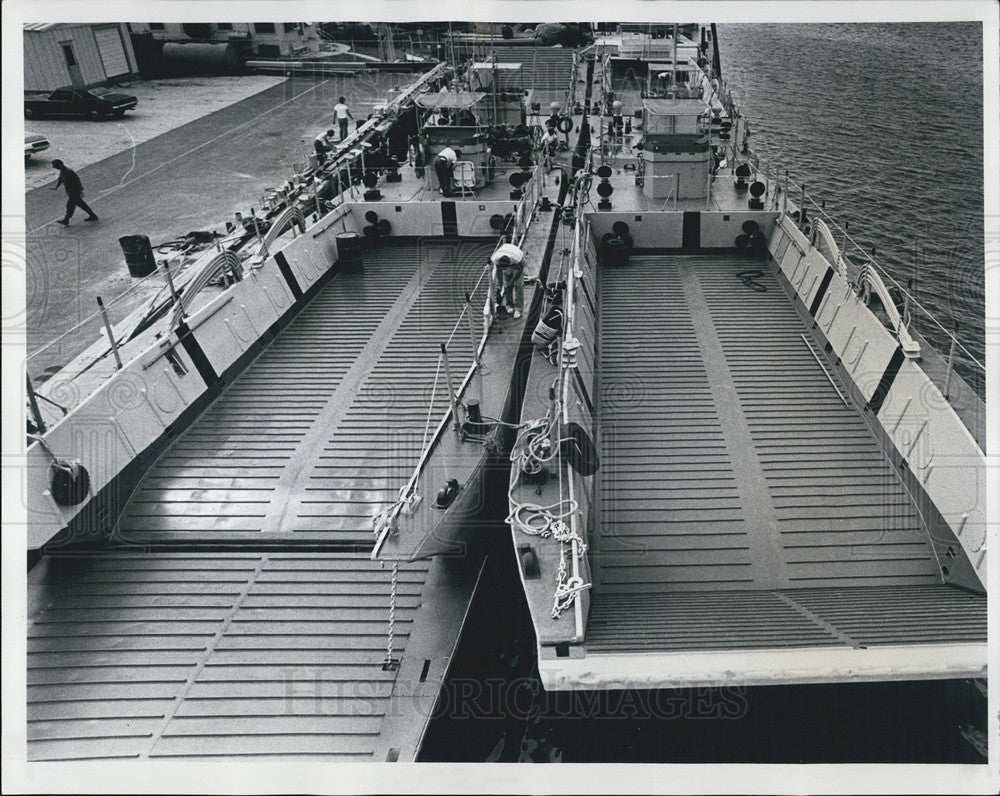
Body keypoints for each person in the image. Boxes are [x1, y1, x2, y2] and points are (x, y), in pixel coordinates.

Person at [50, 160, 97, 225]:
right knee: (81, 204)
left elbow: (77, 180)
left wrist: (79, 190)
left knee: (70, 206)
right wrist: (56, 187)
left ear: (59, 164)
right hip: (70, 191)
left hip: (74, 192)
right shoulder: (62, 171)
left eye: (54, 165)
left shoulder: (69, 172)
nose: (53, 167)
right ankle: (93, 215)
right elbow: (60, 179)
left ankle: (66, 220)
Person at [490, 242, 526, 319]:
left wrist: (512, 281)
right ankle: (509, 305)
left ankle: (519, 309)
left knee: (518, 286)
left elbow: (520, 269)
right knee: (506, 286)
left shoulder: (516, 259)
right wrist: (500, 286)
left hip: (518, 261)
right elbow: (499, 272)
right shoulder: (495, 259)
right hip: (506, 252)